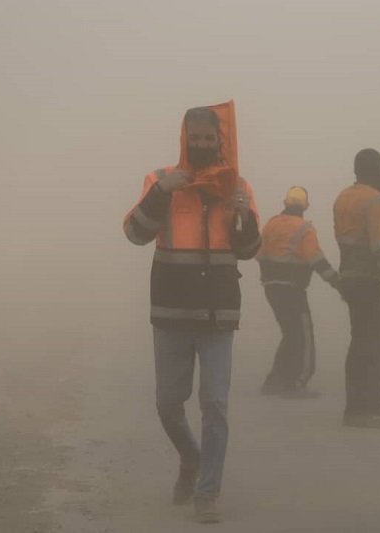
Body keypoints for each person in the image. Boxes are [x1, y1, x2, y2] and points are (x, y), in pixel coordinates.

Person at [123, 101, 261, 523]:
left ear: (220, 140)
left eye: (209, 138)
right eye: (195, 138)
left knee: (215, 404)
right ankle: (191, 456)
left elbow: (249, 250)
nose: (202, 144)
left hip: (219, 315)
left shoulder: (238, 186)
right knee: (168, 404)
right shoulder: (160, 180)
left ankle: (207, 493)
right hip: (171, 313)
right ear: (185, 139)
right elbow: (135, 234)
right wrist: (162, 193)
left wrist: (243, 217)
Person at [333, 149, 380, 428]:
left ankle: (367, 404)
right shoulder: (375, 201)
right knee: (371, 344)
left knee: (363, 340)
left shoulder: (344, 197)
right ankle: (359, 410)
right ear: (378, 170)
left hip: (349, 278)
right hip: (367, 281)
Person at [255, 186, 340, 398]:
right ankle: (296, 383)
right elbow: (316, 259)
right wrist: (338, 283)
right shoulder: (304, 229)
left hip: (271, 288)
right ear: (306, 206)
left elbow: (259, 253)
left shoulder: (271, 224)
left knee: (291, 333)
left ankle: (275, 381)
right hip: (292, 289)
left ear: (285, 203)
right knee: (302, 335)